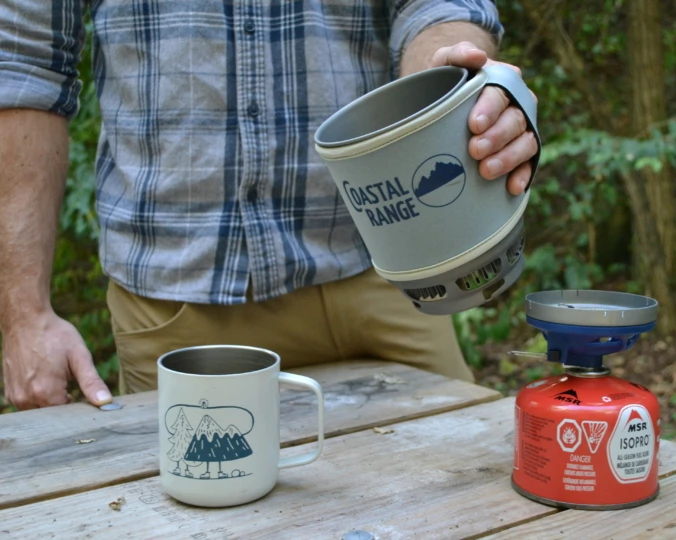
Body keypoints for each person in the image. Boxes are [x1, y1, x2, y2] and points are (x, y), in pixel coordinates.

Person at [0, 1, 539, 410]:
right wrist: (24, 316)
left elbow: (435, 7)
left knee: (458, 504)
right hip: (178, 308)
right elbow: (22, 61)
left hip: (384, 270)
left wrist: (455, 88)